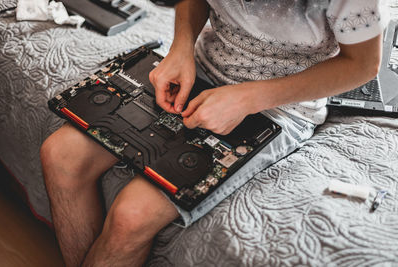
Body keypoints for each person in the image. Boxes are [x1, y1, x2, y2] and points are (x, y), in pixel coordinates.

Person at [40, 0, 388, 266]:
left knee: (131, 215)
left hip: (281, 103)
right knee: (60, 156)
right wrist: (180, 49)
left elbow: (362, 65)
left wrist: (249, 97)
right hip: (202, 67)